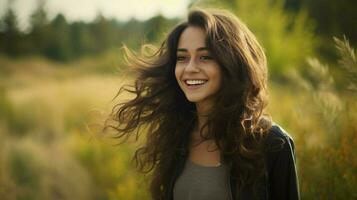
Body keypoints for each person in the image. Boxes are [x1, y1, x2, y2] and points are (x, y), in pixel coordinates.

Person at [107, 8, 300, 200]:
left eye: (205, 57)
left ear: (232, 63)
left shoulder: (273, 144)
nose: (190, 68)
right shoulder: (175, 136)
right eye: (182, 58)